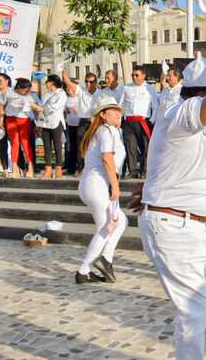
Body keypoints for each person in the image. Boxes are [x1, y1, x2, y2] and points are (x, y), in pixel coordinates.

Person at [136, 16, 206, 360]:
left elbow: (177, 166)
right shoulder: (183, 113)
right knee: (194, 310)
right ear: (202, 95)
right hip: (174, 228)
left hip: (205, 226)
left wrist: (149, 187)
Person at [75, 96, 127, 284]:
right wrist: (115, 185)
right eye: (113, 110)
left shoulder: (102, 131)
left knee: (120, 221)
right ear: (103, 115)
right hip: (98, 184)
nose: (118, 113)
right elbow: (107, 158)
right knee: (107, 227)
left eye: (118, 110)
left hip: (92, 184)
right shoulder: (106, 130)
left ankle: (103, 261)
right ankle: (86, 267)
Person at [120, 66, 159, 179]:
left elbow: (155, 106)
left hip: (144, 121)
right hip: (129, 121)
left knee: (146, 147)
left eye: (136, 75)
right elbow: (121, 105)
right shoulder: (126, 87)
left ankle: (144, 170)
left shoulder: (149, 88)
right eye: (133, 75)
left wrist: (151, 120)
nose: (134, 77)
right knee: (130, 147)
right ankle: (132, 170)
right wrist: (119, 120)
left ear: (143, 76)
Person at [62, 68, 101, 177]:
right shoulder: (81, 90)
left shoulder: (100, 93)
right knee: (81, 146)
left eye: (91, 82)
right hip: (83, 121)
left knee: (94, 146)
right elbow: (69, 84)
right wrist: (64, 73)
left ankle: (95, 168)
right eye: (87, 81)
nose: (89, 84)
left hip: (95, 122)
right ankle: (81, 168)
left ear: (95, 82)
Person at [1, 78, 42, 179]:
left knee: (25, 143)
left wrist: (40, 112)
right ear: (19, 88)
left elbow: (34, 106)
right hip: (10, 119)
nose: (27, 92)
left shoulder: (28, 96)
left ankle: (30, 168)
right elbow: (2, 107)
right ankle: (15, 170)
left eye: (29, 90)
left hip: (24, 120)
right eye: (26, 90)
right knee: (14, 143)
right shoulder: (9, 93)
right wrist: (1, 123)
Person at [36, 74, 68, 179]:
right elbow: (41, 107)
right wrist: (39, 123)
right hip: (45, 123)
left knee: (57, 146)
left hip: (56, 122)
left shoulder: (61, 94)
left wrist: (42, 108)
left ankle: (58, 168)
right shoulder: (46, 94)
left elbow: (55, 107)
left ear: (52, 83)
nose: (46, 83)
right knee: (47, 146)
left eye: (47, 81)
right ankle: (48, 168)